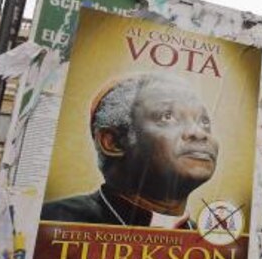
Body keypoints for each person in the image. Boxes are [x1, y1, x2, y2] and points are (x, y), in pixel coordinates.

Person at [41, 73, 219, 228]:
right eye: (167, 116)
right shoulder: (51, 221)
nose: (199, 133)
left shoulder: (212, 240)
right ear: (113, 142)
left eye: (204, 121)